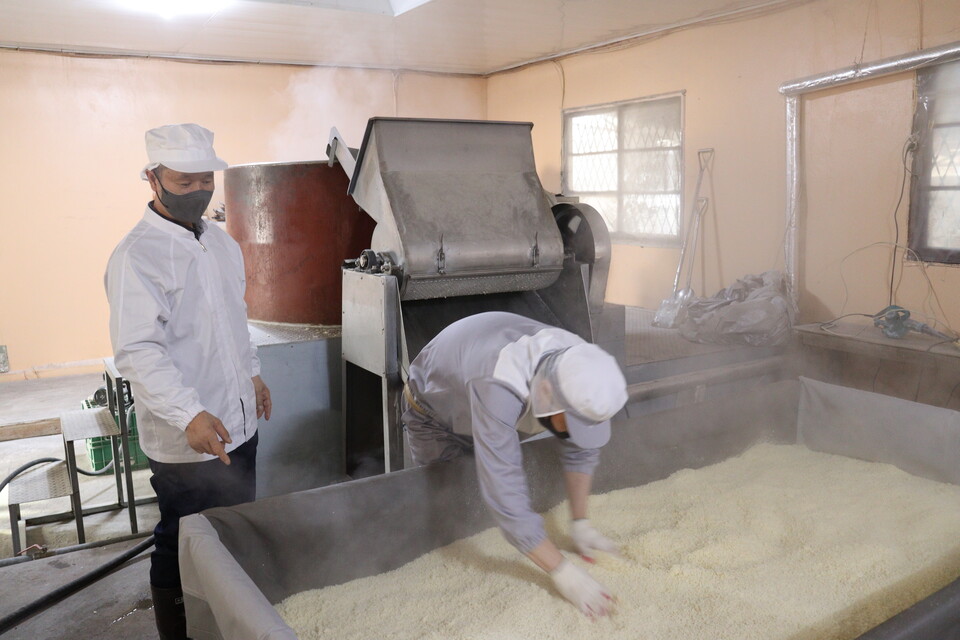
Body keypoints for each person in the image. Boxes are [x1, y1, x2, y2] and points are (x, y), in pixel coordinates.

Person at [104, 123, 271, 639]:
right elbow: (137, 352)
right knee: (183, 537)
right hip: (188, 435)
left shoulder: (220, 245)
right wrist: (189, 415)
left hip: (238, 420)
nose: (199, 192)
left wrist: (254, 374)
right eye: (184, 182)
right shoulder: (137, 257)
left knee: (233, 525)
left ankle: (228, 622)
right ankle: (181, 631)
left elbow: (233, 319)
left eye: (206, 181)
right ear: (153, 180)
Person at [402, 311, 628, 618]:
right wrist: (563, 573)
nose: (573, 431)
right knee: (453, 510)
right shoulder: (499, 385)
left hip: (478, 387)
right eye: (570, 421)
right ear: (545, 393)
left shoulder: (577, 360)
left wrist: (580, 523)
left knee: (483, 488)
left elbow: (580, 450)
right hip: (434, 412)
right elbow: (505, 496)